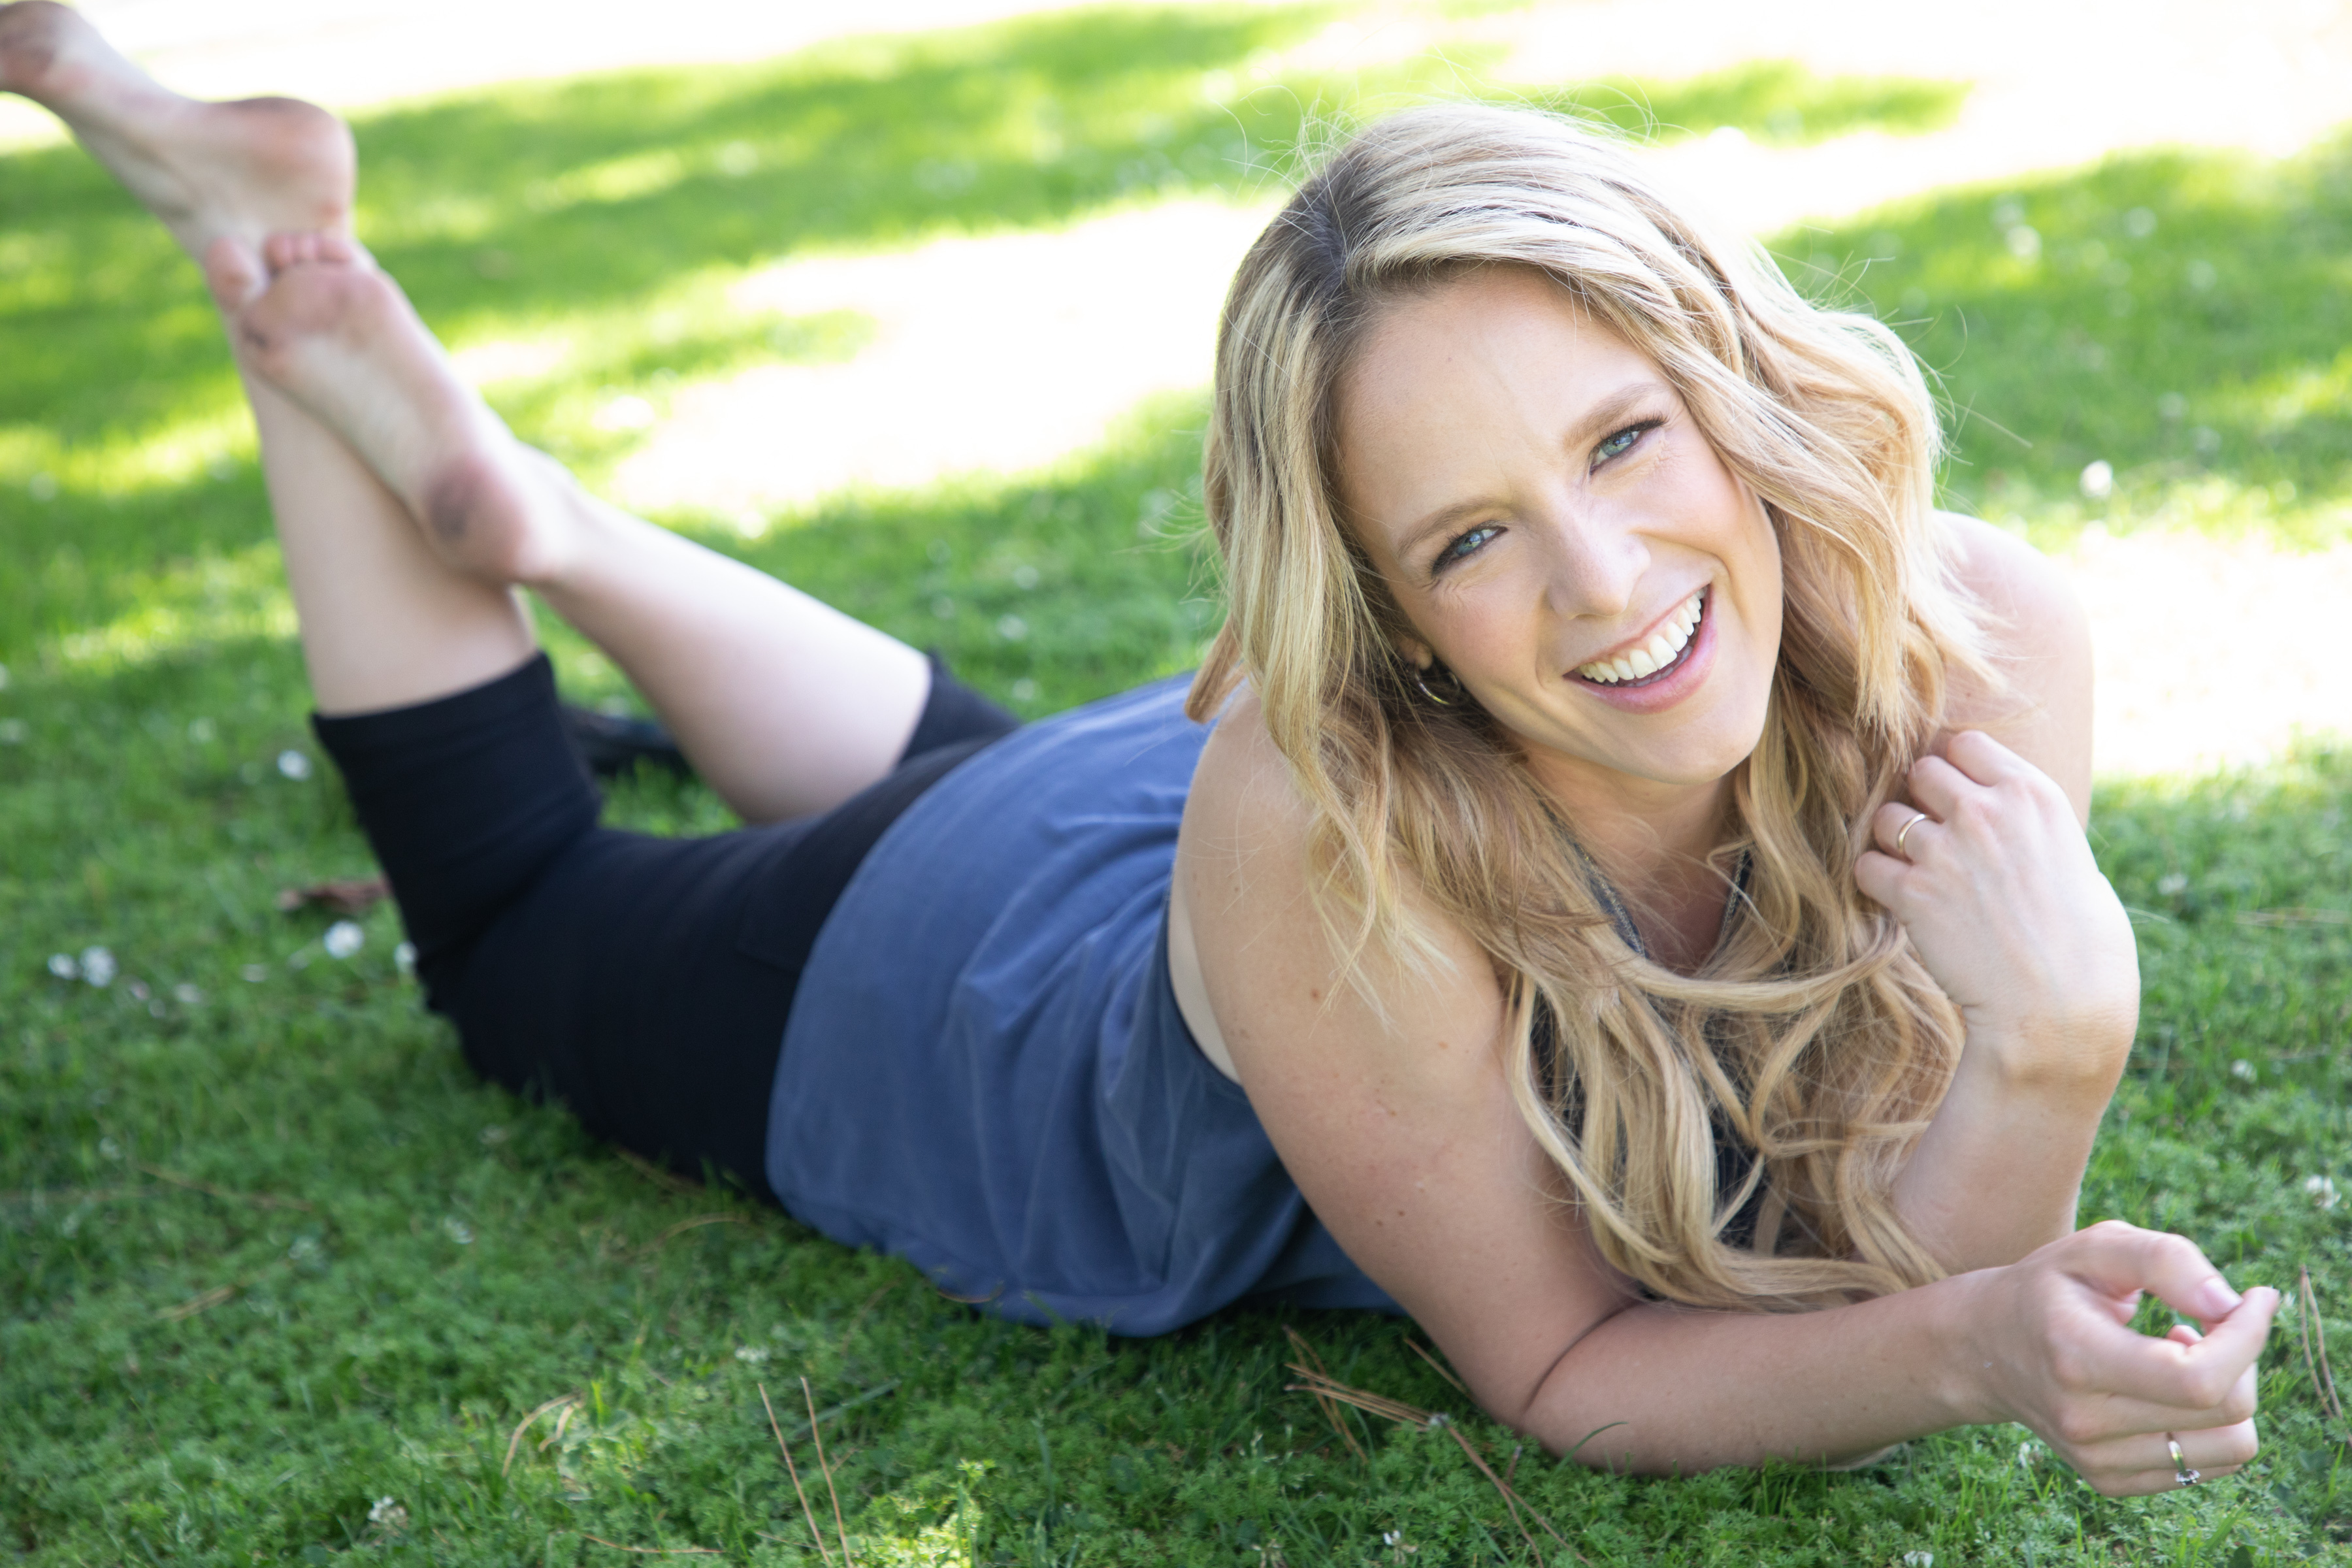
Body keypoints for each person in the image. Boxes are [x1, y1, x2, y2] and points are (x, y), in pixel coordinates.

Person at [2, 0, 2278, 1495]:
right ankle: (270, 253)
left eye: (1624, 438)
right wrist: (2045, 1071)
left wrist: (2014, 1166)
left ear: (1735, 387)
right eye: (1472, 535)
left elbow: (1883, 1256)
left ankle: (541, 522)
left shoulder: (1970, 636)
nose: (1605, 584)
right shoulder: (1333, 819)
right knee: (518, 928)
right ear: (1384, 621)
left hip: (1158, 844)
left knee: (981, 785)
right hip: (956, 989)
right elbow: (1588, 1370)